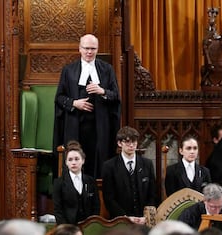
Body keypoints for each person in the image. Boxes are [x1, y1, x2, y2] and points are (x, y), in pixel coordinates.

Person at [53, 34, 121, 178]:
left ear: (97, 49)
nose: (89, 52)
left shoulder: (107, 69)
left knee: (99, 165)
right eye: (86, 48)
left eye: (93, 49)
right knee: (75, 161)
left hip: (99, 128)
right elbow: (59, 97)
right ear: (80, 49)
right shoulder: (69, 70)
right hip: (75, 126)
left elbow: (116, 96)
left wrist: (102, 91)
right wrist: (74, 103)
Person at [102, 126, 156, 223]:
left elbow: (152, 193)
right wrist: (124, 217)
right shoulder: (109, 166)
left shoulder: (147, 164)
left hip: (144, 220)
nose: (131, 145)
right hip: (120, 221)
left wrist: (146, 216)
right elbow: (109, 198)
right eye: (127, 142)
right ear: (119, 143)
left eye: (134, 141)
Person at [53, 140, 100, 225]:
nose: (73, 163)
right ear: (66, 162)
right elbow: (58, 210)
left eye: (77, 159)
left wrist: (91, 225)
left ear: (83, 160)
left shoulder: (90, 181)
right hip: (68, 228)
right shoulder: (59, 183)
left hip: (88, 227)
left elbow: (96, 206)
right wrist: (67, 230)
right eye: (70, 160)